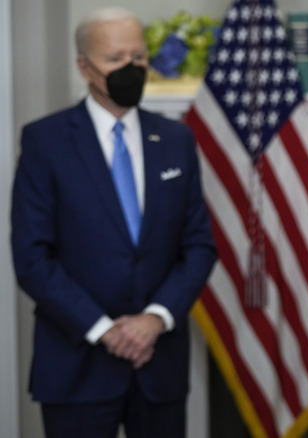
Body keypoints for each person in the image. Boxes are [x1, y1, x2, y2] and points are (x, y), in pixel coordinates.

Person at [11, 7, 217, 438]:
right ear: (83, 66)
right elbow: (33, 257)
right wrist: (107, 331)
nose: (130, 69)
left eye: (139, 58)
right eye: (115, 59)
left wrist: (155, 319)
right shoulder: (45, 141)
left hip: (159, 367)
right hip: (75, 367)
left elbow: (198, 245)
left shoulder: (176, 140)